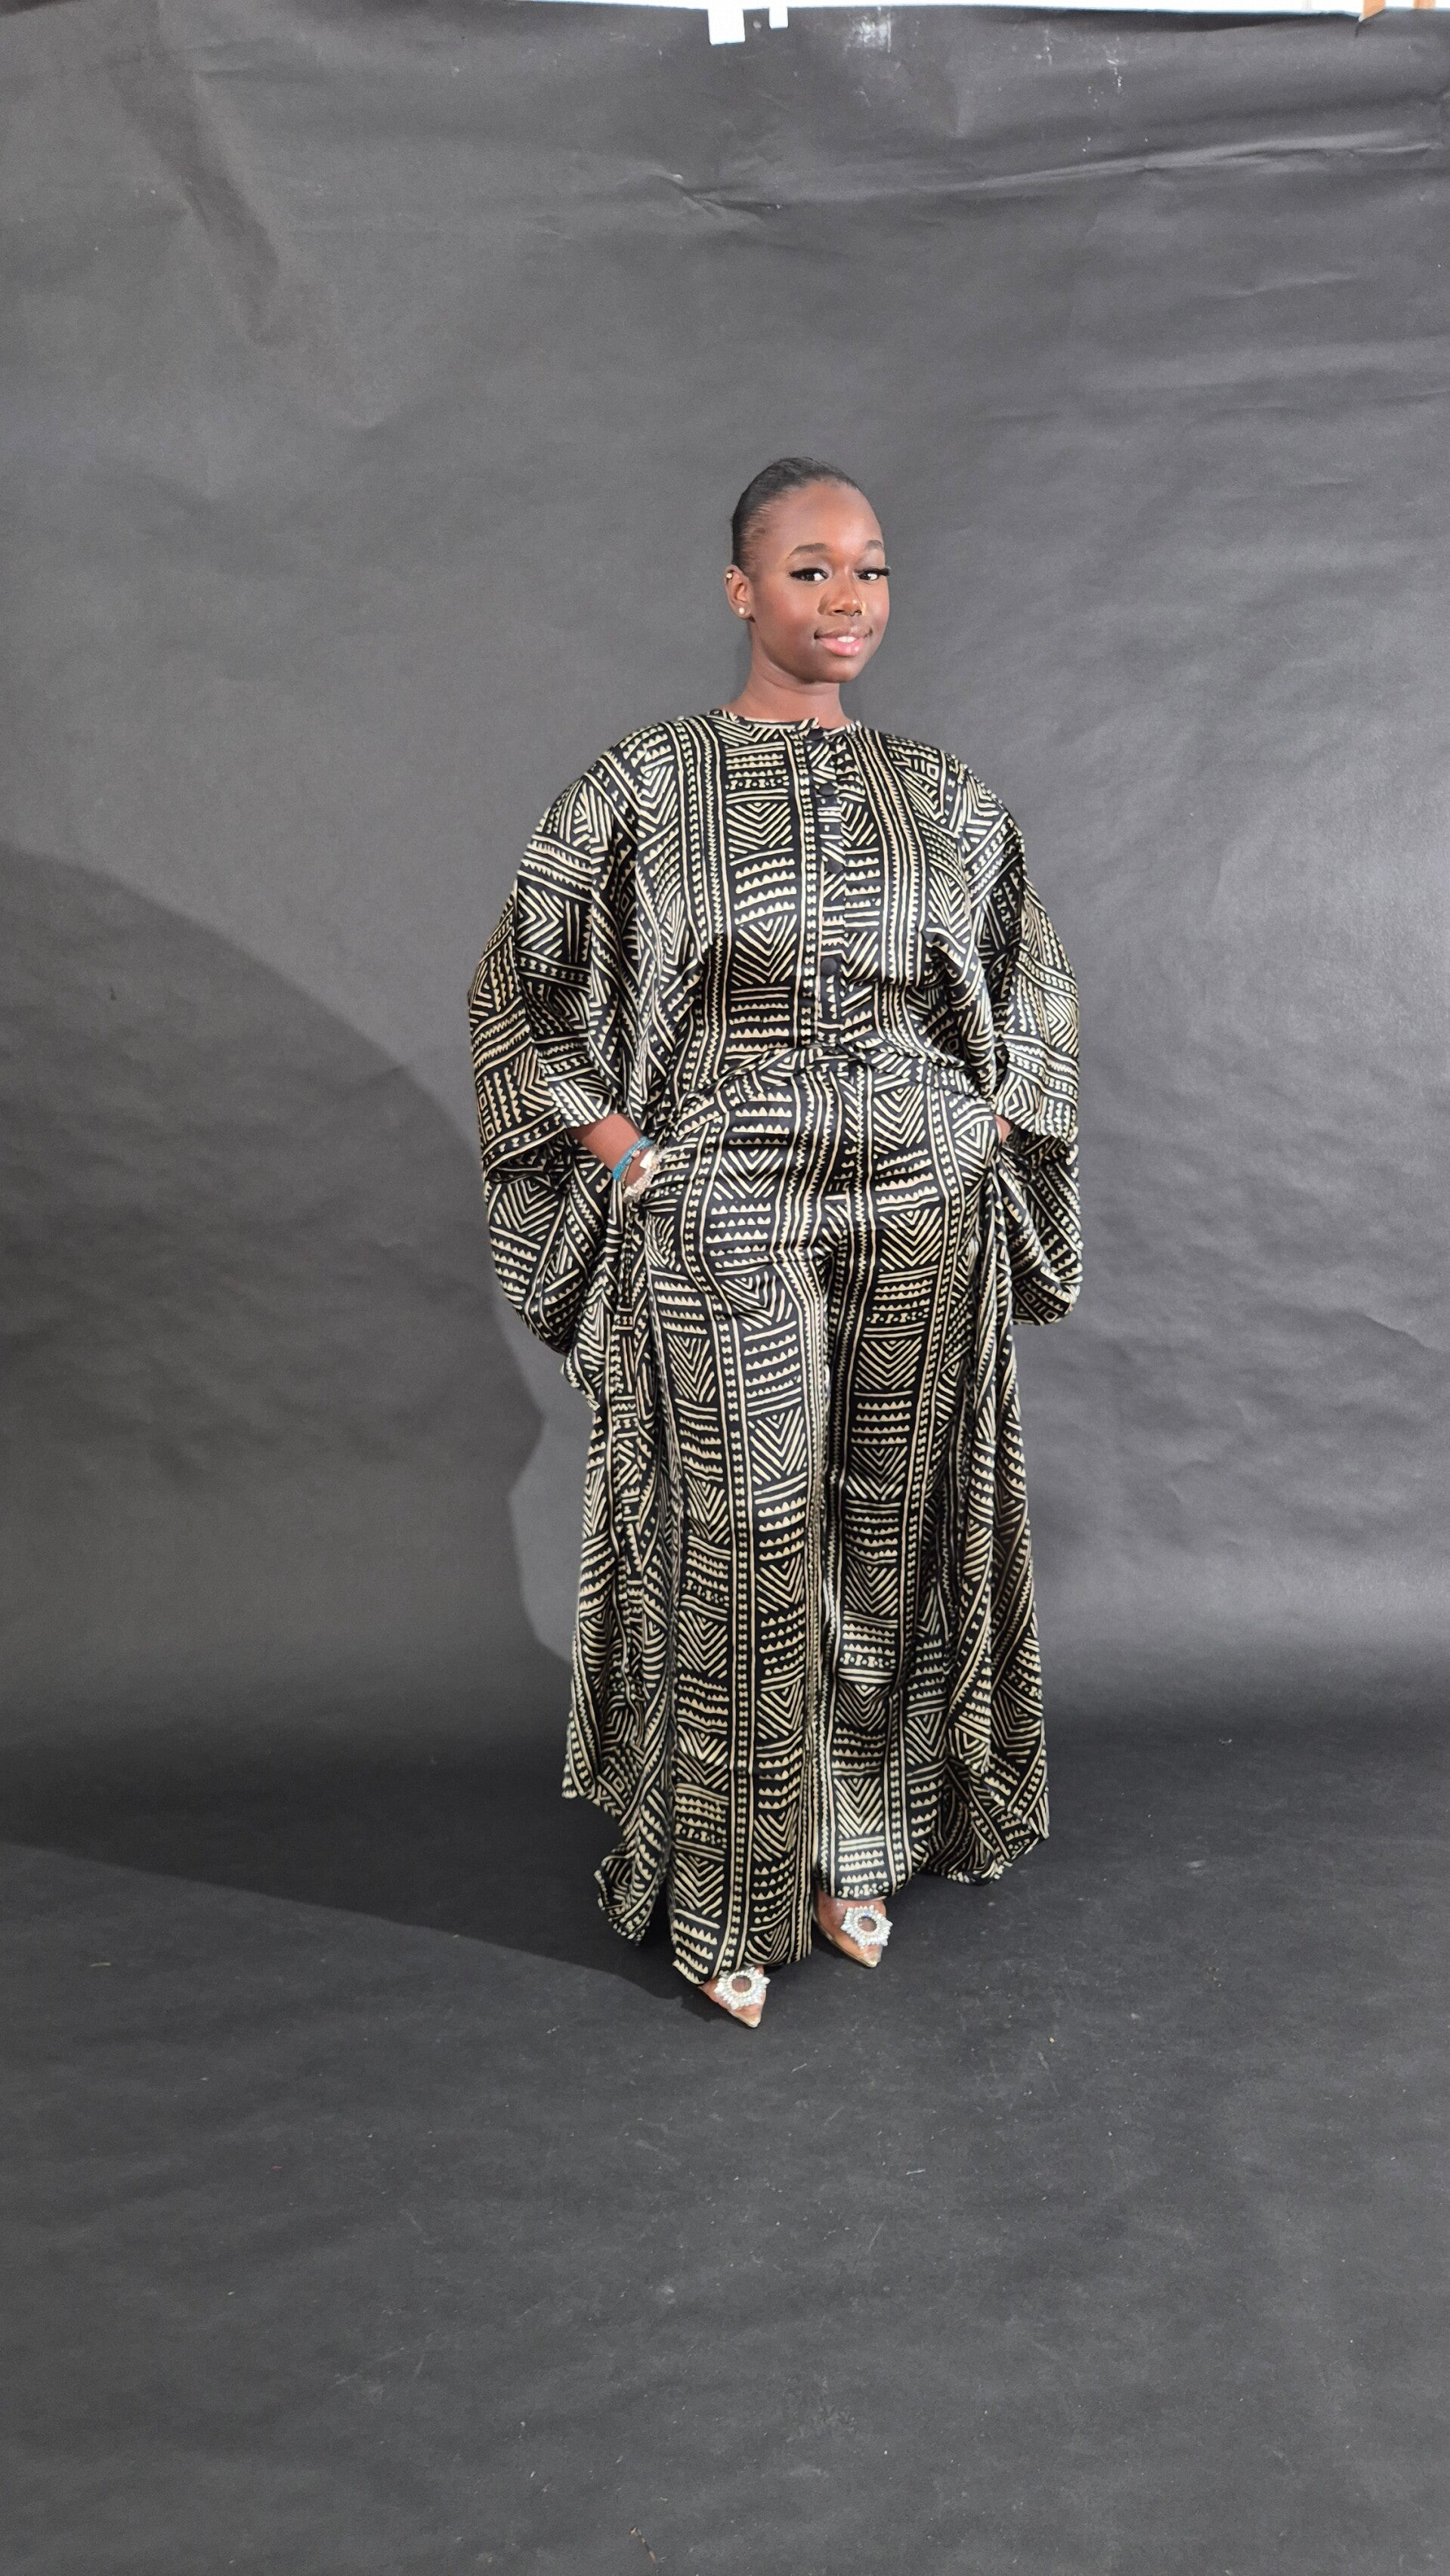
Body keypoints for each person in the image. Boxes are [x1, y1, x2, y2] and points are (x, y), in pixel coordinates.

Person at [470, 457, 1080, 2026]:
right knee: (737, 1528)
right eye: (811, 569)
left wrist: (990, 1120)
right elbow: (520, 989)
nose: (846, 598)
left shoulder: (943, 796)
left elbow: (1032, 982)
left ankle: (851, 1849)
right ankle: (729, 1889)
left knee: (887, 1521)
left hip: (919, 1190)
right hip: (724, 1191)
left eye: (869, 568)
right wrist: (624, 1149)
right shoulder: (645, 785)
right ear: (742, 588)